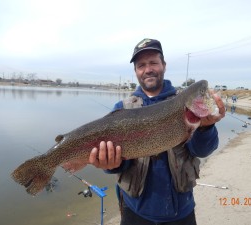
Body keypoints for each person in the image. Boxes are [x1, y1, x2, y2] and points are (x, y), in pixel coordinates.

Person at [63, 38, 225, 224]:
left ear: (163, 65)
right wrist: (111, 164)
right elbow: (120, 166)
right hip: (135, 212)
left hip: (181, 212)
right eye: (141, 65)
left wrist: (207, 127)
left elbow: (202, 151)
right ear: (136, 71)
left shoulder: (184, 106)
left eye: (153, 62)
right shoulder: (122, 109)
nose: (148, 69)